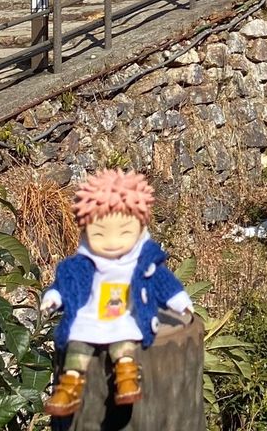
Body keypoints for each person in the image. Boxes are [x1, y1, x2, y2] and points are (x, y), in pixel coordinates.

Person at [41, 169, 194, 416]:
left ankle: (127, 377)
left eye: (124, 232)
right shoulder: (82, 263)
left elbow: (162, 281)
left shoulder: (142, 261)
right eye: (99, 233)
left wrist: (179, 300)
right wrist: (54, 296)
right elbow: (67, 283)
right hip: (90, 315)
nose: (112, 242)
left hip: (126, 314)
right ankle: (69, 384)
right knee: (78, 343)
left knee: (123, 343)